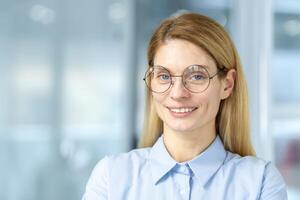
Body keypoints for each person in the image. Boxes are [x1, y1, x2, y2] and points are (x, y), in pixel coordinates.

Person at [82, 12, 287, 200]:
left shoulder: (260, 182)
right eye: (164, 76)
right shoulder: (111, 177)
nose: (178, 93)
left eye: (197, 76)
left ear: (227, 84)